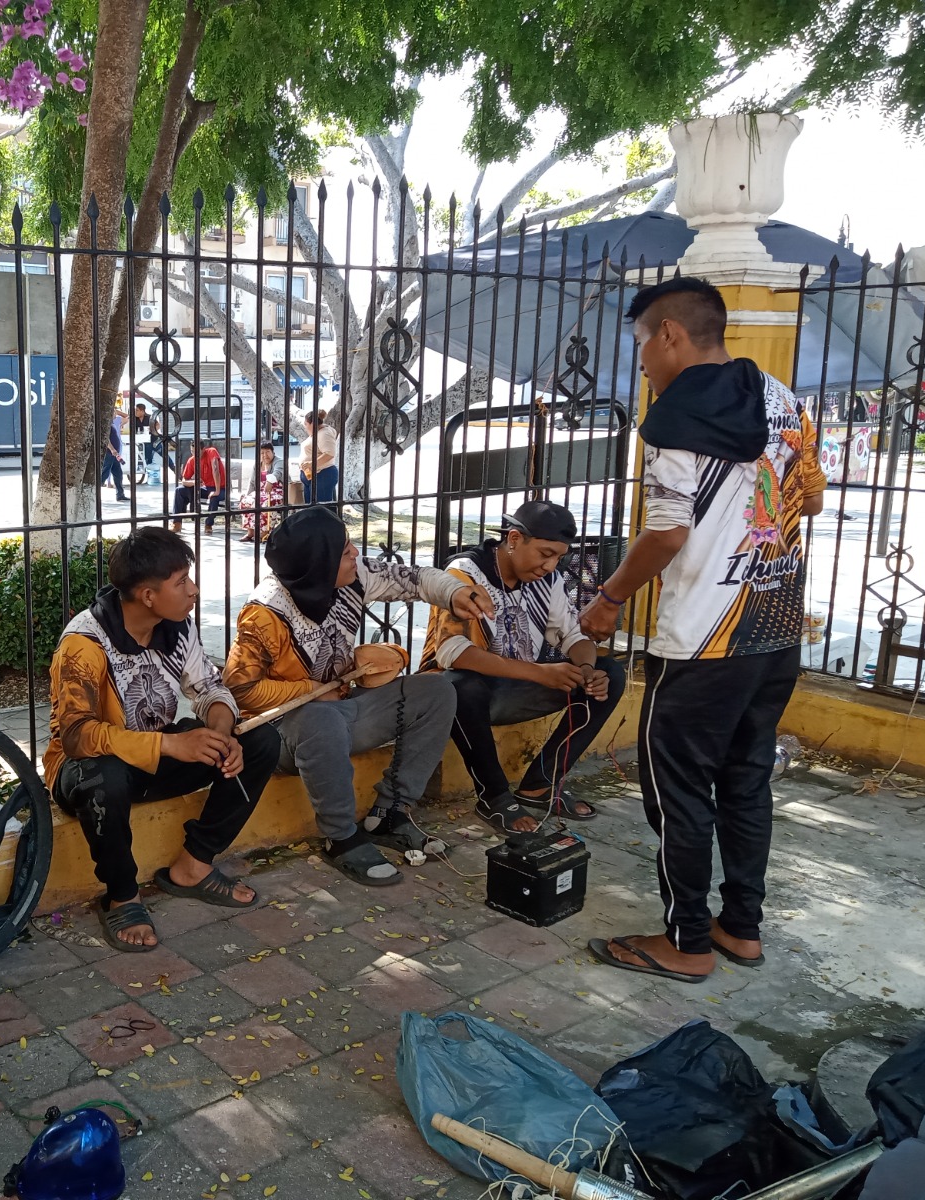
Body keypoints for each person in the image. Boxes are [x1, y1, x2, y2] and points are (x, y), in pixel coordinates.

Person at [577, 277, 827, 986]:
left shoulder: (673, 420)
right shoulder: (783, 400)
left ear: (670, 335)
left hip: (702, 641)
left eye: (640, 349)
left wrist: (609, 599)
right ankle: (739, 928)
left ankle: (685, 939)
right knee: (746, 782)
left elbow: (666, 533)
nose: (643, 367)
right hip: (774, 629)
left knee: (676, 791)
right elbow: (810, 495)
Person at [224, 508, 494, 885]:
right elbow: (241, 689)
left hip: (343, 712)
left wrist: (455, 592)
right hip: (286, 733)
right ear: (317, 563)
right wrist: (314, 692)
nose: (355, 553)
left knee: (435, 690)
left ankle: (391, 812)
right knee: (319, 718)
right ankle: (341, 837)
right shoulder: (264, 614)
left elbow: (415, 579)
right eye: (344, 549)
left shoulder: (354, 575)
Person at [46, 527, 280, 951]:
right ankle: (122, 894)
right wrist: (171, 745)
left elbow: (209, 687)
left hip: (153, 757)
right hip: (89, 771)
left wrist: (221, 734)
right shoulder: (84, 643)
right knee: (104, 777)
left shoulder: (176, 626)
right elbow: (78, 737)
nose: (193, 591)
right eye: (181, 583)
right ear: (148, 596)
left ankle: (193, 866)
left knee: (260, 740)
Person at [419, 500, 626, 833]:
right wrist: (540, 673)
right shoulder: (463, 574)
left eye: (558, 557)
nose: (551, 565)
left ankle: (540, 786)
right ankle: (495, 798)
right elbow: (453, 653)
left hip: (517, 685)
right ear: (514, 539)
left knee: (610, 674)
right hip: (461, 699)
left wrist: (587, 671)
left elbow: (574, 637)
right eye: (545, 554)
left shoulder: (550, 579)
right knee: (459, 685)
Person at [171, 439, 228, 531]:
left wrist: (217, 491)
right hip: (206, 488)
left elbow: (215, 470)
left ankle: (208, 525)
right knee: (179, 490)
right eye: (192, 451)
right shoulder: (192, 460)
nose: (194, 454)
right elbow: (184, 480)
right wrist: (194, 483)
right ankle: (176, 523)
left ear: (203, 449)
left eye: (196, 451)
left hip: (221, 488)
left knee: (214, 497)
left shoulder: (211, 452)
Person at [239, 441, 285, 543]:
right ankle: (250, 532)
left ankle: (265, 532)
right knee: (246, 501)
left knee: (264, 503)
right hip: (261, 492)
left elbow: (278, 473)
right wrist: (247, 494)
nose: (265, 455)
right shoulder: (257, 464)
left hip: (278, 492)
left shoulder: (279, 461)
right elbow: (252, 482)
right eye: (262, 453)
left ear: (273, 452)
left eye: (267, 452)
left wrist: (270, 481)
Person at [299, 409, 338, 503]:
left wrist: (311, 464)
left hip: (322, 474)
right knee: (312, 508)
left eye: (306, 424)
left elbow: (329, 454)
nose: (305, 427)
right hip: (312, 475)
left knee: (321, 508)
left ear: (312, 423)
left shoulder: (325, 433)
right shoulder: (317, 433)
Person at [99, 406, 129, 501]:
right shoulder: (106, 424)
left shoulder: (112, 423)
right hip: (109, 453)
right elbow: (105, 439)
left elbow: (127, 417)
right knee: (104, 473)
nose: (115, 414)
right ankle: (94, 493)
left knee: (118, 473)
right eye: (113, 412)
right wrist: (112, 449)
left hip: (114, 454)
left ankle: (120, 494)